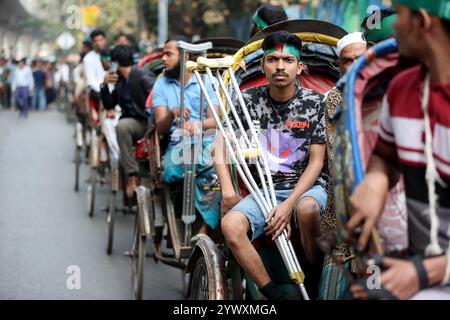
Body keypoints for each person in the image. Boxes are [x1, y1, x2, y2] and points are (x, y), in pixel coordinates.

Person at [348, 0, 450, 300]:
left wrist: (422, 273)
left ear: (422, 22)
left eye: (401, 15)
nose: (394, 27)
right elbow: (385, 156)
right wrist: (377, 181)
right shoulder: (402, 88)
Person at [218, 31, 328, 300]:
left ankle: (314, 283)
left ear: (300, 67)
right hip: (264, 189)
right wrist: (228, 191)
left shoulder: (315, 103)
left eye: (288, 59)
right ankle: (272, 293)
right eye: (273, 59)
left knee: (307, 209)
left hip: (306, 187)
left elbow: (317, 162)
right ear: (263, 65)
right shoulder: (248, 101)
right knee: (231, 226)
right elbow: (220, 145)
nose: (280, 66)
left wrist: (288, 205)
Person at [152, 36, 221, 235]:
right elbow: (160, 128)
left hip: (207, 143)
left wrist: (197, 125)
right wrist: (172, 112)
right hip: (178, 147)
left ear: (185, 56)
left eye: (168, 54)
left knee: (224, 174)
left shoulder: (208, 80)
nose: (163, 58)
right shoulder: (161, 84)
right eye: (163, 54)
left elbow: (214, 121)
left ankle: (205, 228)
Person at [100, 45, 155, 196]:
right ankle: (131, 173)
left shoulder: (142, 75)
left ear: (116, 62)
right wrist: (104, 86)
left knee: (121, 126)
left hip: (147, 123)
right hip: (133, 122)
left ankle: (132, 174)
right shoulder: (120, 80)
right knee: (119, 126)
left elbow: (156, 101)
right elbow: (109, 104)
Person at [83, 29, 107, 124]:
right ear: (93, 43)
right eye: (95, 41)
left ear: (104, 40)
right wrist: (102, 89)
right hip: (98, 91)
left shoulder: (112, 54)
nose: (98, 43)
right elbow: (91, 80)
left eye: (100, 40)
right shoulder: (88, 58)